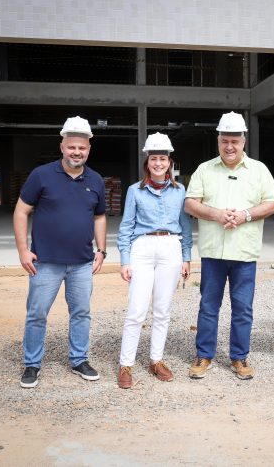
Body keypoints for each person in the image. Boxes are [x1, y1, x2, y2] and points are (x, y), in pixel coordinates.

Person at [184, 111, 274, 380]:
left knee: (242, 308)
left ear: (243, 142)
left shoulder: (258, 170)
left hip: (244, 252)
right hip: (213, 252)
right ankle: (204, 355)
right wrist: (217, 214)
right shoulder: (205, 169)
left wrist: (244, 215)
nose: (229, 147)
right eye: (225, 140)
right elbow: (190, 203)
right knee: (208, 306)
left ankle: (239, 357)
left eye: (234, 142)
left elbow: (272, 203)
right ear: (218, 140)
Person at [13, 116, 106, 388]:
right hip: (45, 262)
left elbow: (99, 217)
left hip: (81, 263)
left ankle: (79, 359)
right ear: (62, 146)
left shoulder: (96, 180)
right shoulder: (41, 175)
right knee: (37, 313)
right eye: (71, 147)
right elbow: (21, 210)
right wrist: (22, 250)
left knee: (81, 313)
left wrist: (101, 250)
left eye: (82, 148)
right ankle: (32, 364)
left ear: (89, 148)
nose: (77, 152)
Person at [116, 133, 193, 389]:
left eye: (163, 158)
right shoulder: (134, 191)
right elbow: (126, 226)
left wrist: (186, 258)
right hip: (143, 248)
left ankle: (156, 360)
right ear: (147, 162)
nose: (158, 163)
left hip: (170, 247)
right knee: (136, 310)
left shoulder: (180, 191)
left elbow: (186, 227)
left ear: (170, 162)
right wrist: (125, 260)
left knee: (162, 310)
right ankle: (125, 364)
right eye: (154, 159)